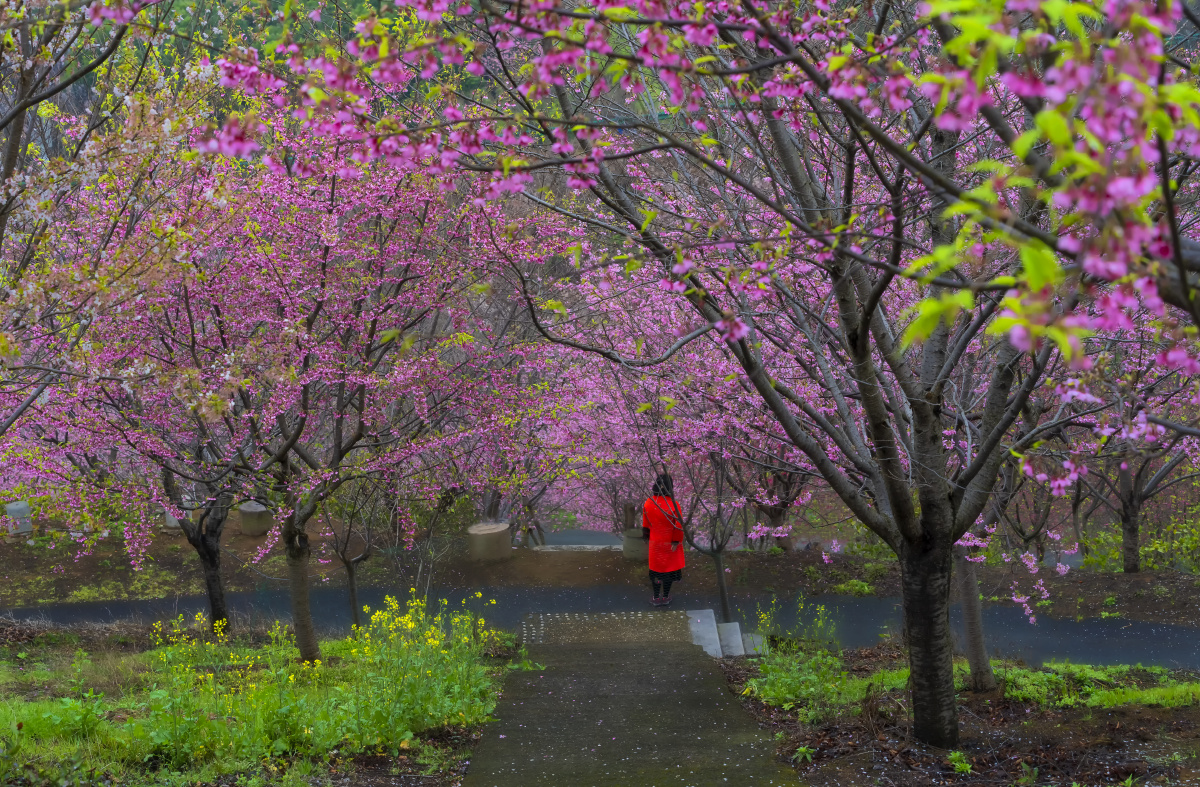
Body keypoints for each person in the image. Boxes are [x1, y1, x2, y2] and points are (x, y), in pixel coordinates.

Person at [642, 473, 684, 606]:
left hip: (655, 542)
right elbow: (678, 525)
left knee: (656, 570)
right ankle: (665, 596)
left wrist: (646, 535)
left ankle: (656, 597)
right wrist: (676, 541)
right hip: (669, 543)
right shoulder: (674, 505)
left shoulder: (649, 502)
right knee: (668, 571)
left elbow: (645, 522)